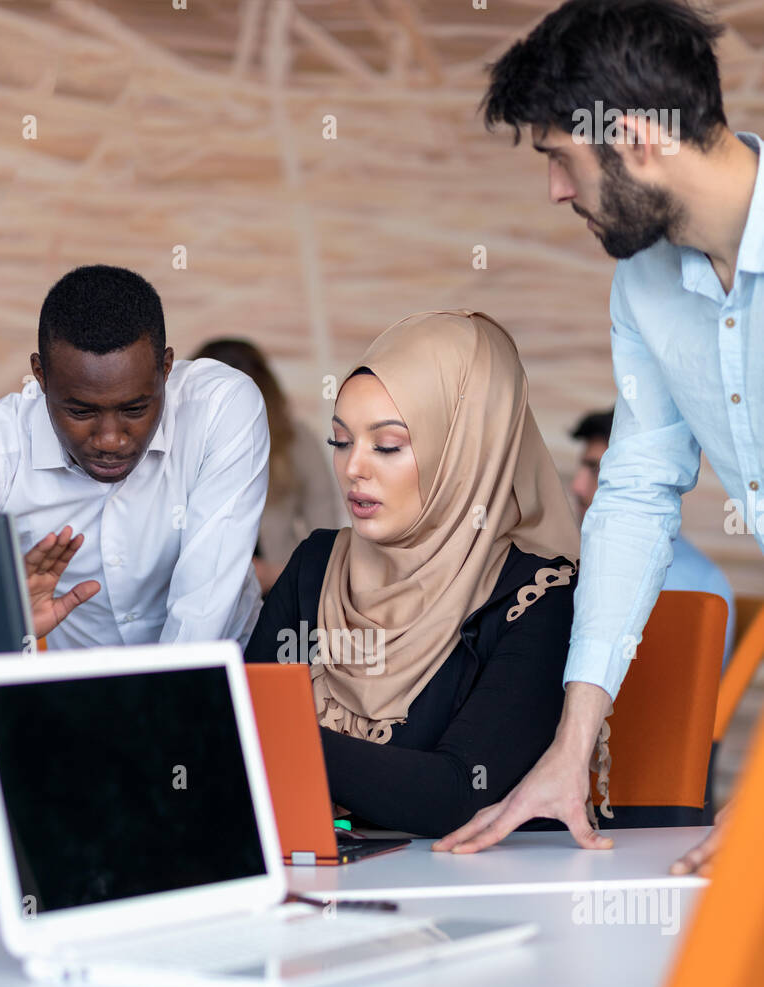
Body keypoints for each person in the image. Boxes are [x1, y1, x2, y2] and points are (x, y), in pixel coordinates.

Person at [435, 0, 763, 875]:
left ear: (635, 136)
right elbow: (636, 496)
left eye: (560, 157)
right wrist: (571, 750)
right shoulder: (645, 288)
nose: (556, 190)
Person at [245, 309, 581, 839]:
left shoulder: (535, 597)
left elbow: (454, 794)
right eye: (340, 440)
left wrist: (273, 737)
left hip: (480, 900)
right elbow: (234, 754)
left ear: (467, 452)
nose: (354, 467)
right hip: (315, 886)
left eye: (387, 445)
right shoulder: (316, 566)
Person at [0, 266, 269, 649]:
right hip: (76, 696)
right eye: (81, 412)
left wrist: (164, 703)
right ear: (40, 375)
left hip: (229, 677)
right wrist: (3, 621)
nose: (111, 440)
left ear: (165, 369)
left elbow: (204, 600)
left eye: (135, 409)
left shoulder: (219, 408)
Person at [570, 407, 735, 667]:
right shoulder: (585, 557)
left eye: (595, 469)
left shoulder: (687, 580)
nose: (577, 486)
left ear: (639, 476)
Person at [194, 337, 343, 593]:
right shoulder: (178, 450)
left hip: (280, 596)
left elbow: (330, 552)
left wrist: (274, 573)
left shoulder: (297, 441)